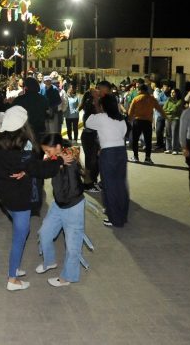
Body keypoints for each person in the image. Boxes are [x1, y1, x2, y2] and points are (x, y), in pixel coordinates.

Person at [0, 106, 70, 290]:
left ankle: (15, 267)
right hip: (19, 197)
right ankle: (12, 279)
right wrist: (59, 161)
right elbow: (39, 169)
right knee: (20, 236)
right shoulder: (24, 146)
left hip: (2, 194)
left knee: (19, 232)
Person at [37, 133, 86, 287]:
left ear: (58, 147)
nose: (46, 154)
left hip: (73, 207)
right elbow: (42, 168)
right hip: (58, 205)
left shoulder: (69, 156)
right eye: (44, 151)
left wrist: (64, 158)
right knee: (44, 234)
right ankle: (50, 261)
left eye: (48, 151)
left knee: (73, 247)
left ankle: (67, 278)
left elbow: (72, 154)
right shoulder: (54, 159)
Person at [85, 94, 129, 227]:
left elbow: (88, 122)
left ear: (103, 106)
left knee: (109, 186)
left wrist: (97, 107)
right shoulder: (121, 119)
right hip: (121, 152)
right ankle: (122, 215)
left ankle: (114, 218)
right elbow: (122, 134)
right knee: (120, 185)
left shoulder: (101, 117)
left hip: (108, 154)